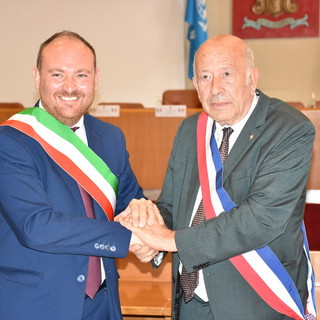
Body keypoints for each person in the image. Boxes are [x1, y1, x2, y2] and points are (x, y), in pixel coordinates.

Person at [117, 34, 316, 320]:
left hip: (257, 303)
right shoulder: (189, 130)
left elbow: (260, 219)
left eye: (227, 74)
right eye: (205, 77)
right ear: (195, 85)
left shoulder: (288, 129)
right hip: (189, 302)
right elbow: (172, 207)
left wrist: (169, 241)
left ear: (252, 77)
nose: (216, 89)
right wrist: (147, 234)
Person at [0, 31, 158, 320]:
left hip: (103, 305)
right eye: (58, 74)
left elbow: (133, 203)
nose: (70, 87)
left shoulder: (110, 138)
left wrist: (152, 235)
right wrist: (128, 238)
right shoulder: (11, 141)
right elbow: (36, 226)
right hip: (36, 306)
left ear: (96, 80)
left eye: (82, 75)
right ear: (37, 78)